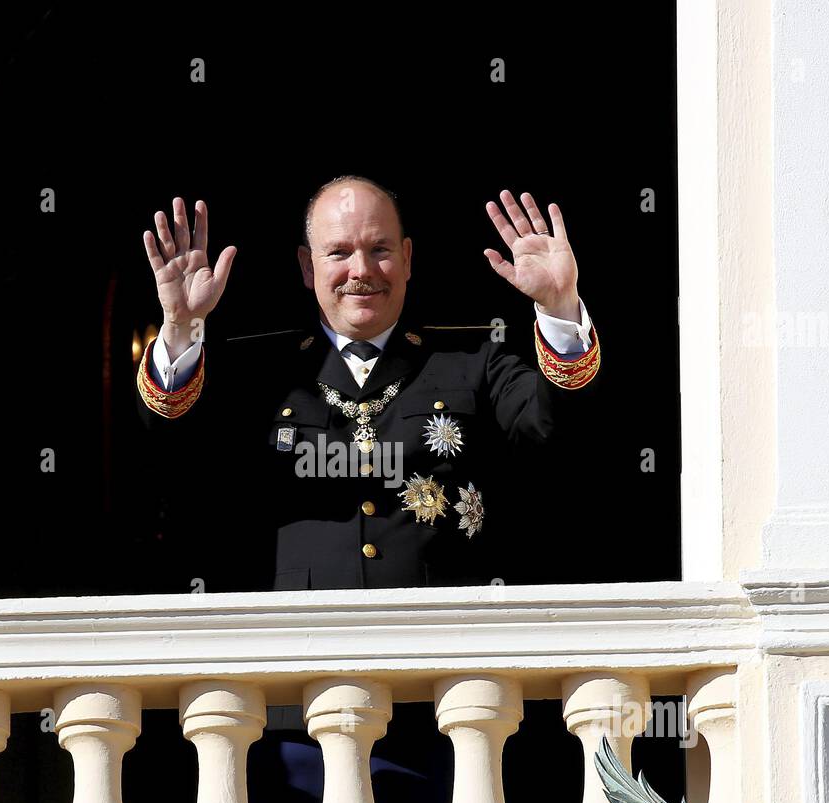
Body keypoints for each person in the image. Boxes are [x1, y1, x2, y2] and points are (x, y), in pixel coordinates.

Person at [134, 176, 601, 590]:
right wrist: (180, 325)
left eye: (380, 249)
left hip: (445, 656)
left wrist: (560, 306)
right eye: (339, 252)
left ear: (408, 257)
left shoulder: (474, 361)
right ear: (306, 265)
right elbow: (170, 451)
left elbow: (558, 434)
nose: (362, 270)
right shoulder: (254, 370)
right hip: (293, 655)